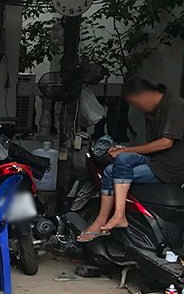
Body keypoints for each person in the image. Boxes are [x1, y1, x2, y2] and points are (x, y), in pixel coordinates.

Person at [78, 77, 184, 240]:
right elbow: (151, 146)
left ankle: (117, 216)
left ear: (145, 95)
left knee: (118, 163)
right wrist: (122, 150)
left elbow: (165, 143)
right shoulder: (153, 111)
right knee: (112, 167)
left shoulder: (175, 105)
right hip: (155, 161)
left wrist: (127, 150)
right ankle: (103, 219)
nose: (138, 107)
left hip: (169, 168)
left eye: (136, 102)